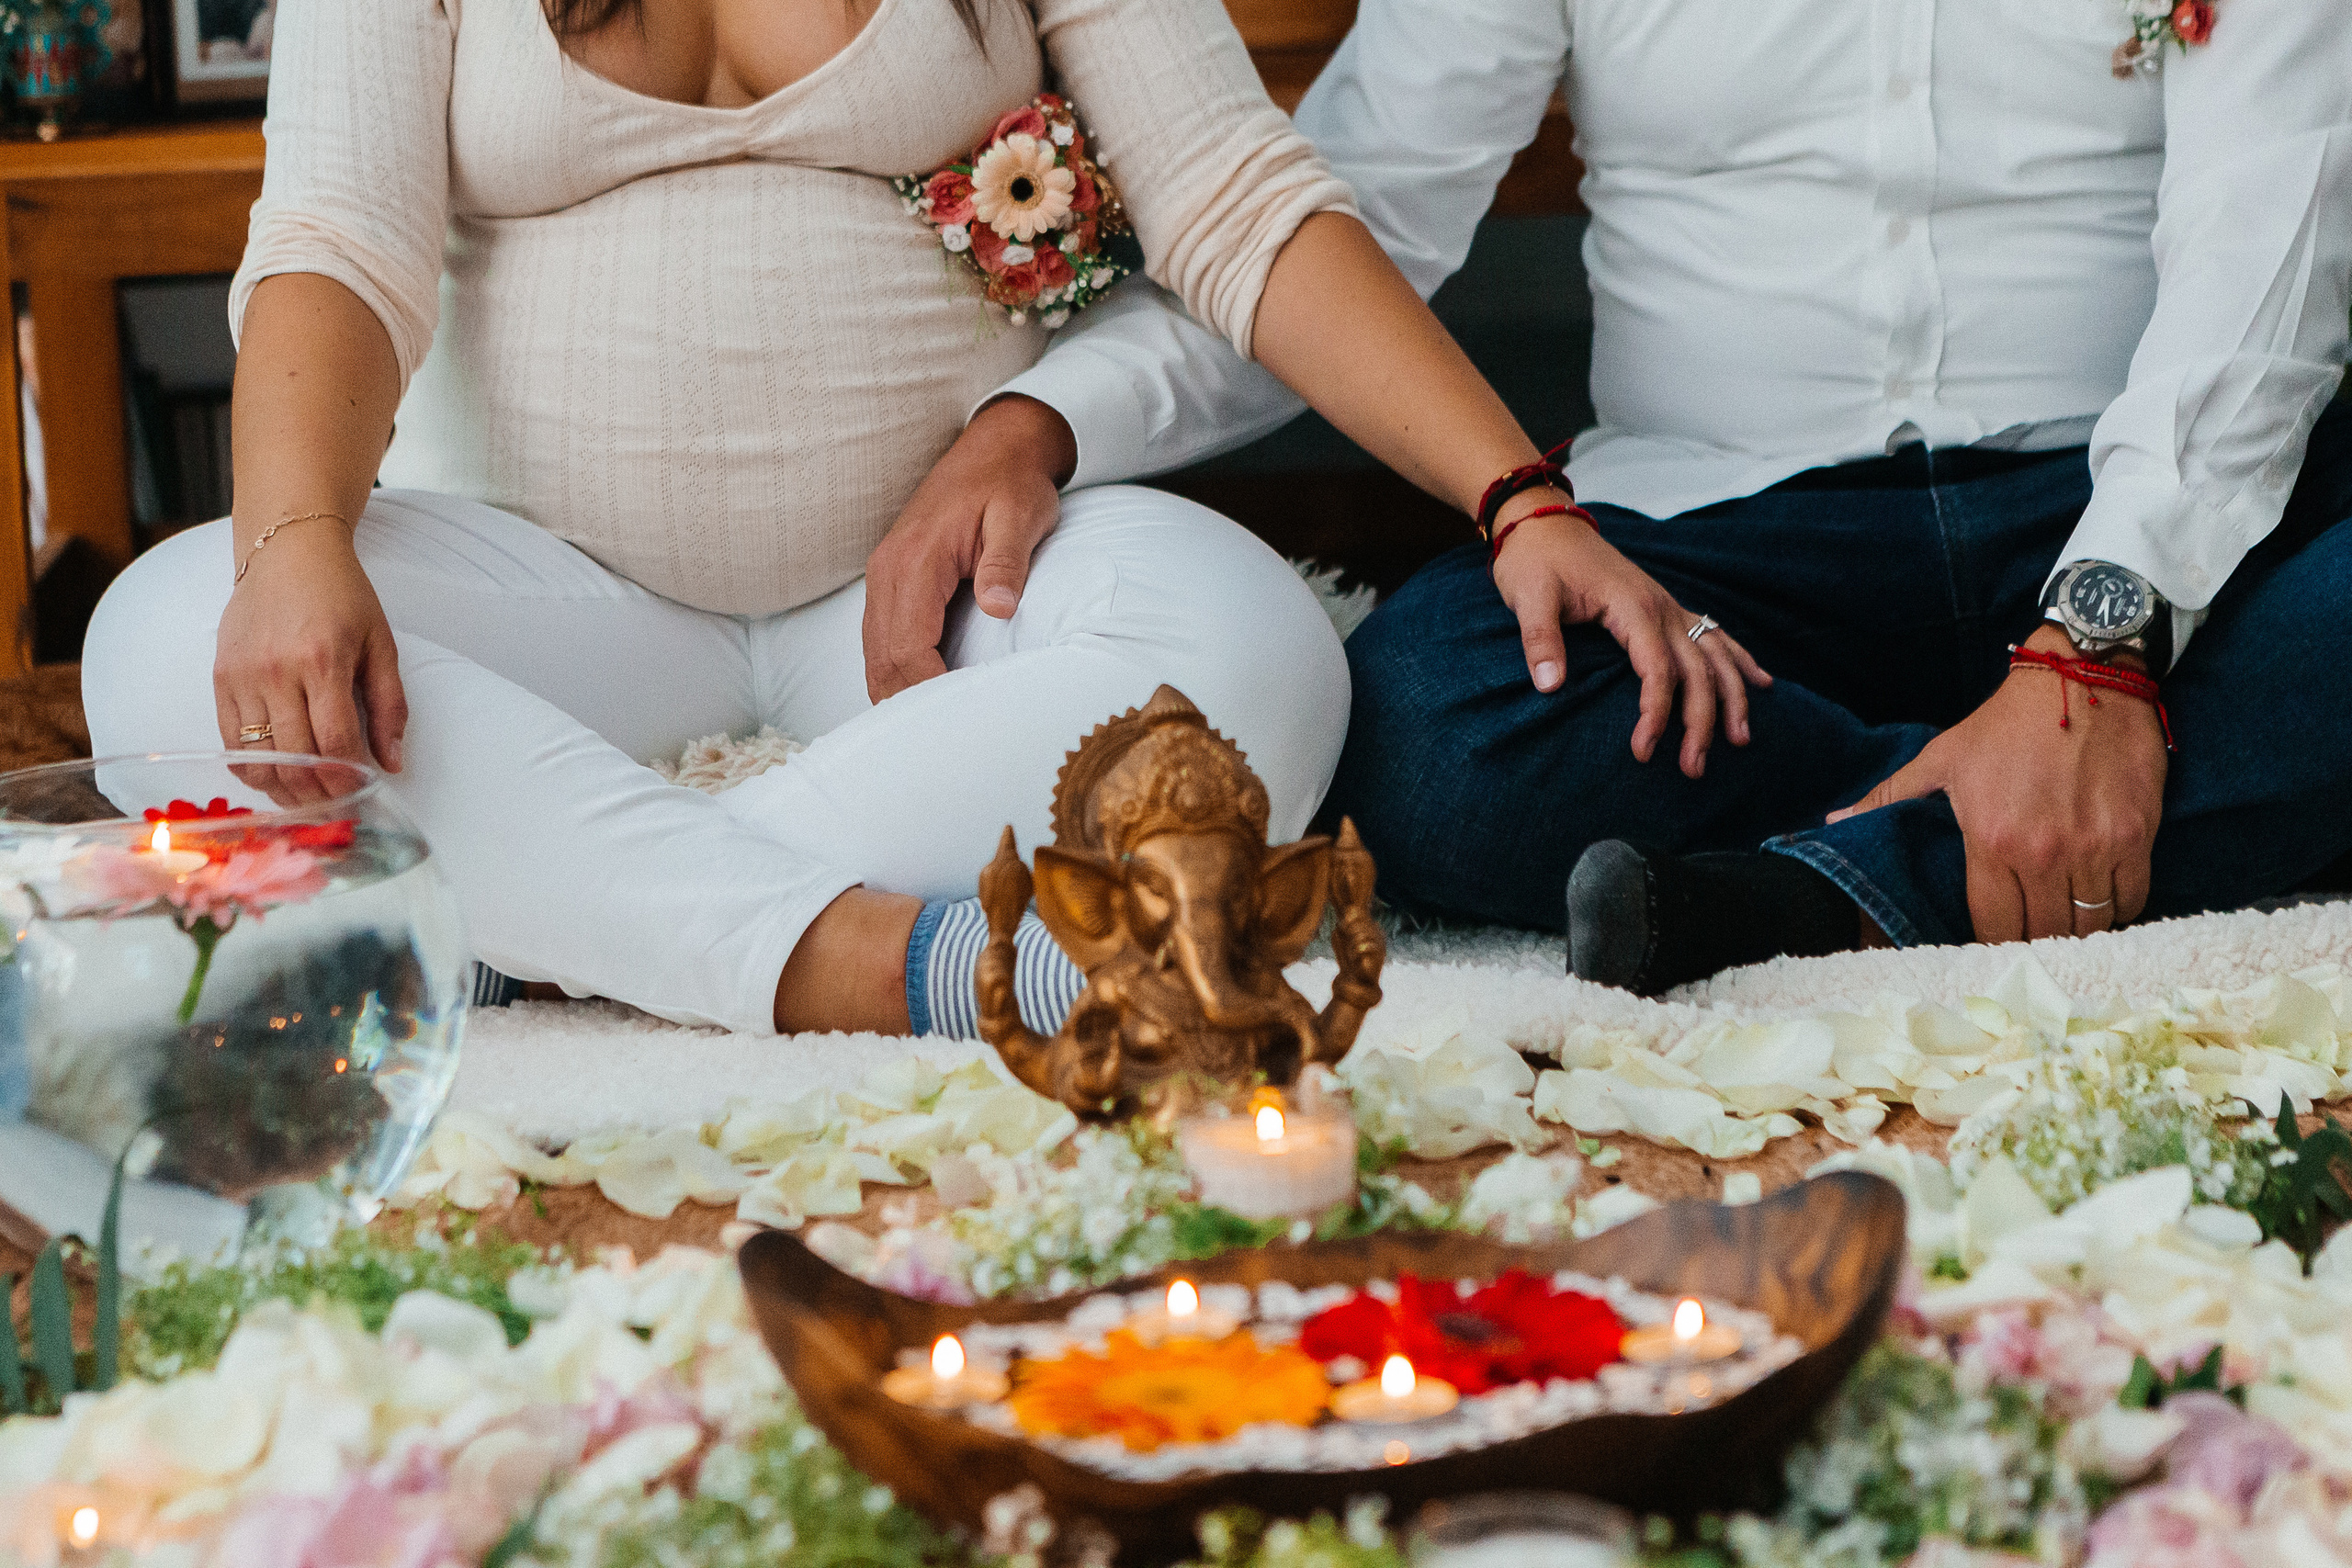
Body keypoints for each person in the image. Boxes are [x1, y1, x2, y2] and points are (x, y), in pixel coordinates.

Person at [82, 0, 1582, 1037]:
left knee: (1262, 661)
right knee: (163, 642)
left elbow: (1239, 202)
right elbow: (337, 240)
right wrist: (295, 547)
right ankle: (869, 960)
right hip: (560, 615)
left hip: (923, 626)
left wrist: (1518, 500)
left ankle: (548, 920)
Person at [905, 0, 2352, 994]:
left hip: (2136, 522)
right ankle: (2035, 822)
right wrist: (1048, 420)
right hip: (1720, 562)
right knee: (1426, 725)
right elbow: (1360, 217)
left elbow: (2263, 249)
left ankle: (1821, 891)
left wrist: (2102, 648)